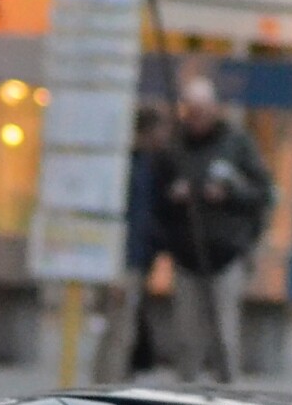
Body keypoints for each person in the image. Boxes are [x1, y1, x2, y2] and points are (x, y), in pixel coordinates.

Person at [153, 77, 274, 383]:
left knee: (224, 334)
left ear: (214, 110)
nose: (197, 120)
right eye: (191, 113)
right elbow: (155, 198)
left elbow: (262, 193)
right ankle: (184, 393)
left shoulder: (236, 144)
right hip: (187, 255)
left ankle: (228, 391)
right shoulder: (174, 147)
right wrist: (174, 197)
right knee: (186, 336)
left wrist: (228, 195)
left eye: (202, 112)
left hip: (226, 252)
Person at [94, 102, 173, 381]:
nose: (164, 137)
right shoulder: (132, 167)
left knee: (123, 330)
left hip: (136, 259)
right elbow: (131, 219)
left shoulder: (148, 165)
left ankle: (113, 381)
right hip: (125, 260)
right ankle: (108, 385)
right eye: (161, 131)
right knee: (120, 332)